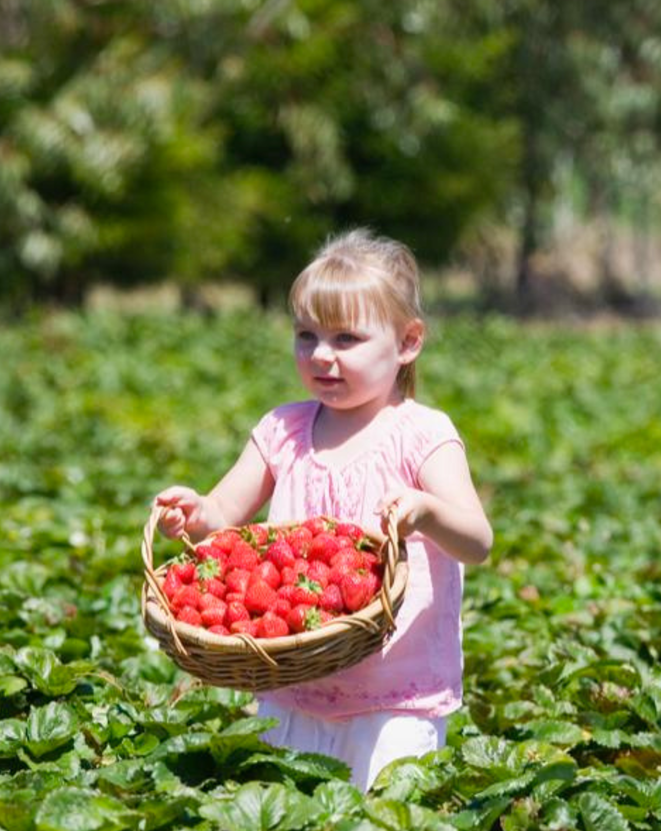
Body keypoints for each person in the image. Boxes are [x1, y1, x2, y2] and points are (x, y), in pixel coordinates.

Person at [151, 228, 493, 791]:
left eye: (347, 338)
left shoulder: (421, 434)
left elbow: (477, 541)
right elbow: (222, 516)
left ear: (408, 342)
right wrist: (193, 513)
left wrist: (427, 512)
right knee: (293, 821)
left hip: (396, 698)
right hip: (292, 683)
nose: (322, 355)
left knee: (382, 827)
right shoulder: (283, 429)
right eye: (306, 336)